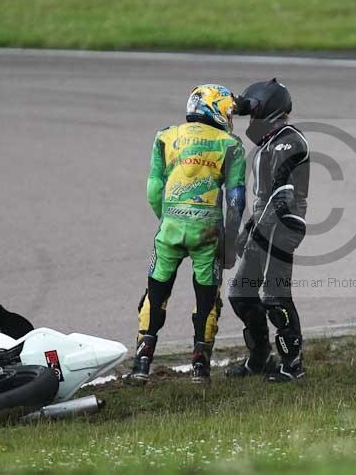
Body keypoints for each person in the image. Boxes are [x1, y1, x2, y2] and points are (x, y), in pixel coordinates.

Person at [127, 84, 246, 384]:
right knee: (207, 298)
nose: (230, 116)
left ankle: (142, 363)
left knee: (156, 292)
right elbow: (236, 200)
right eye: (228, 110)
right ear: (215, 109)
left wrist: (167, 218)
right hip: (207, 232)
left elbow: (154, 188)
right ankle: (200, 365)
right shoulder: (231, 144)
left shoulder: (165, 136)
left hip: (169, 228)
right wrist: (229, 242)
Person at [227, 78, 310, 382]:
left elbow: (280, 198)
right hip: (264, 226)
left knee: (276, 297)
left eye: (253, 114)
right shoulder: (267, 145)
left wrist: (255, 233)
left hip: (284, 228)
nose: (250, 122)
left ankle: (292, 366)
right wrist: (248, 230)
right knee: (241, 295)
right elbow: (264, 202)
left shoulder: (290, 140)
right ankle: (260, 358)